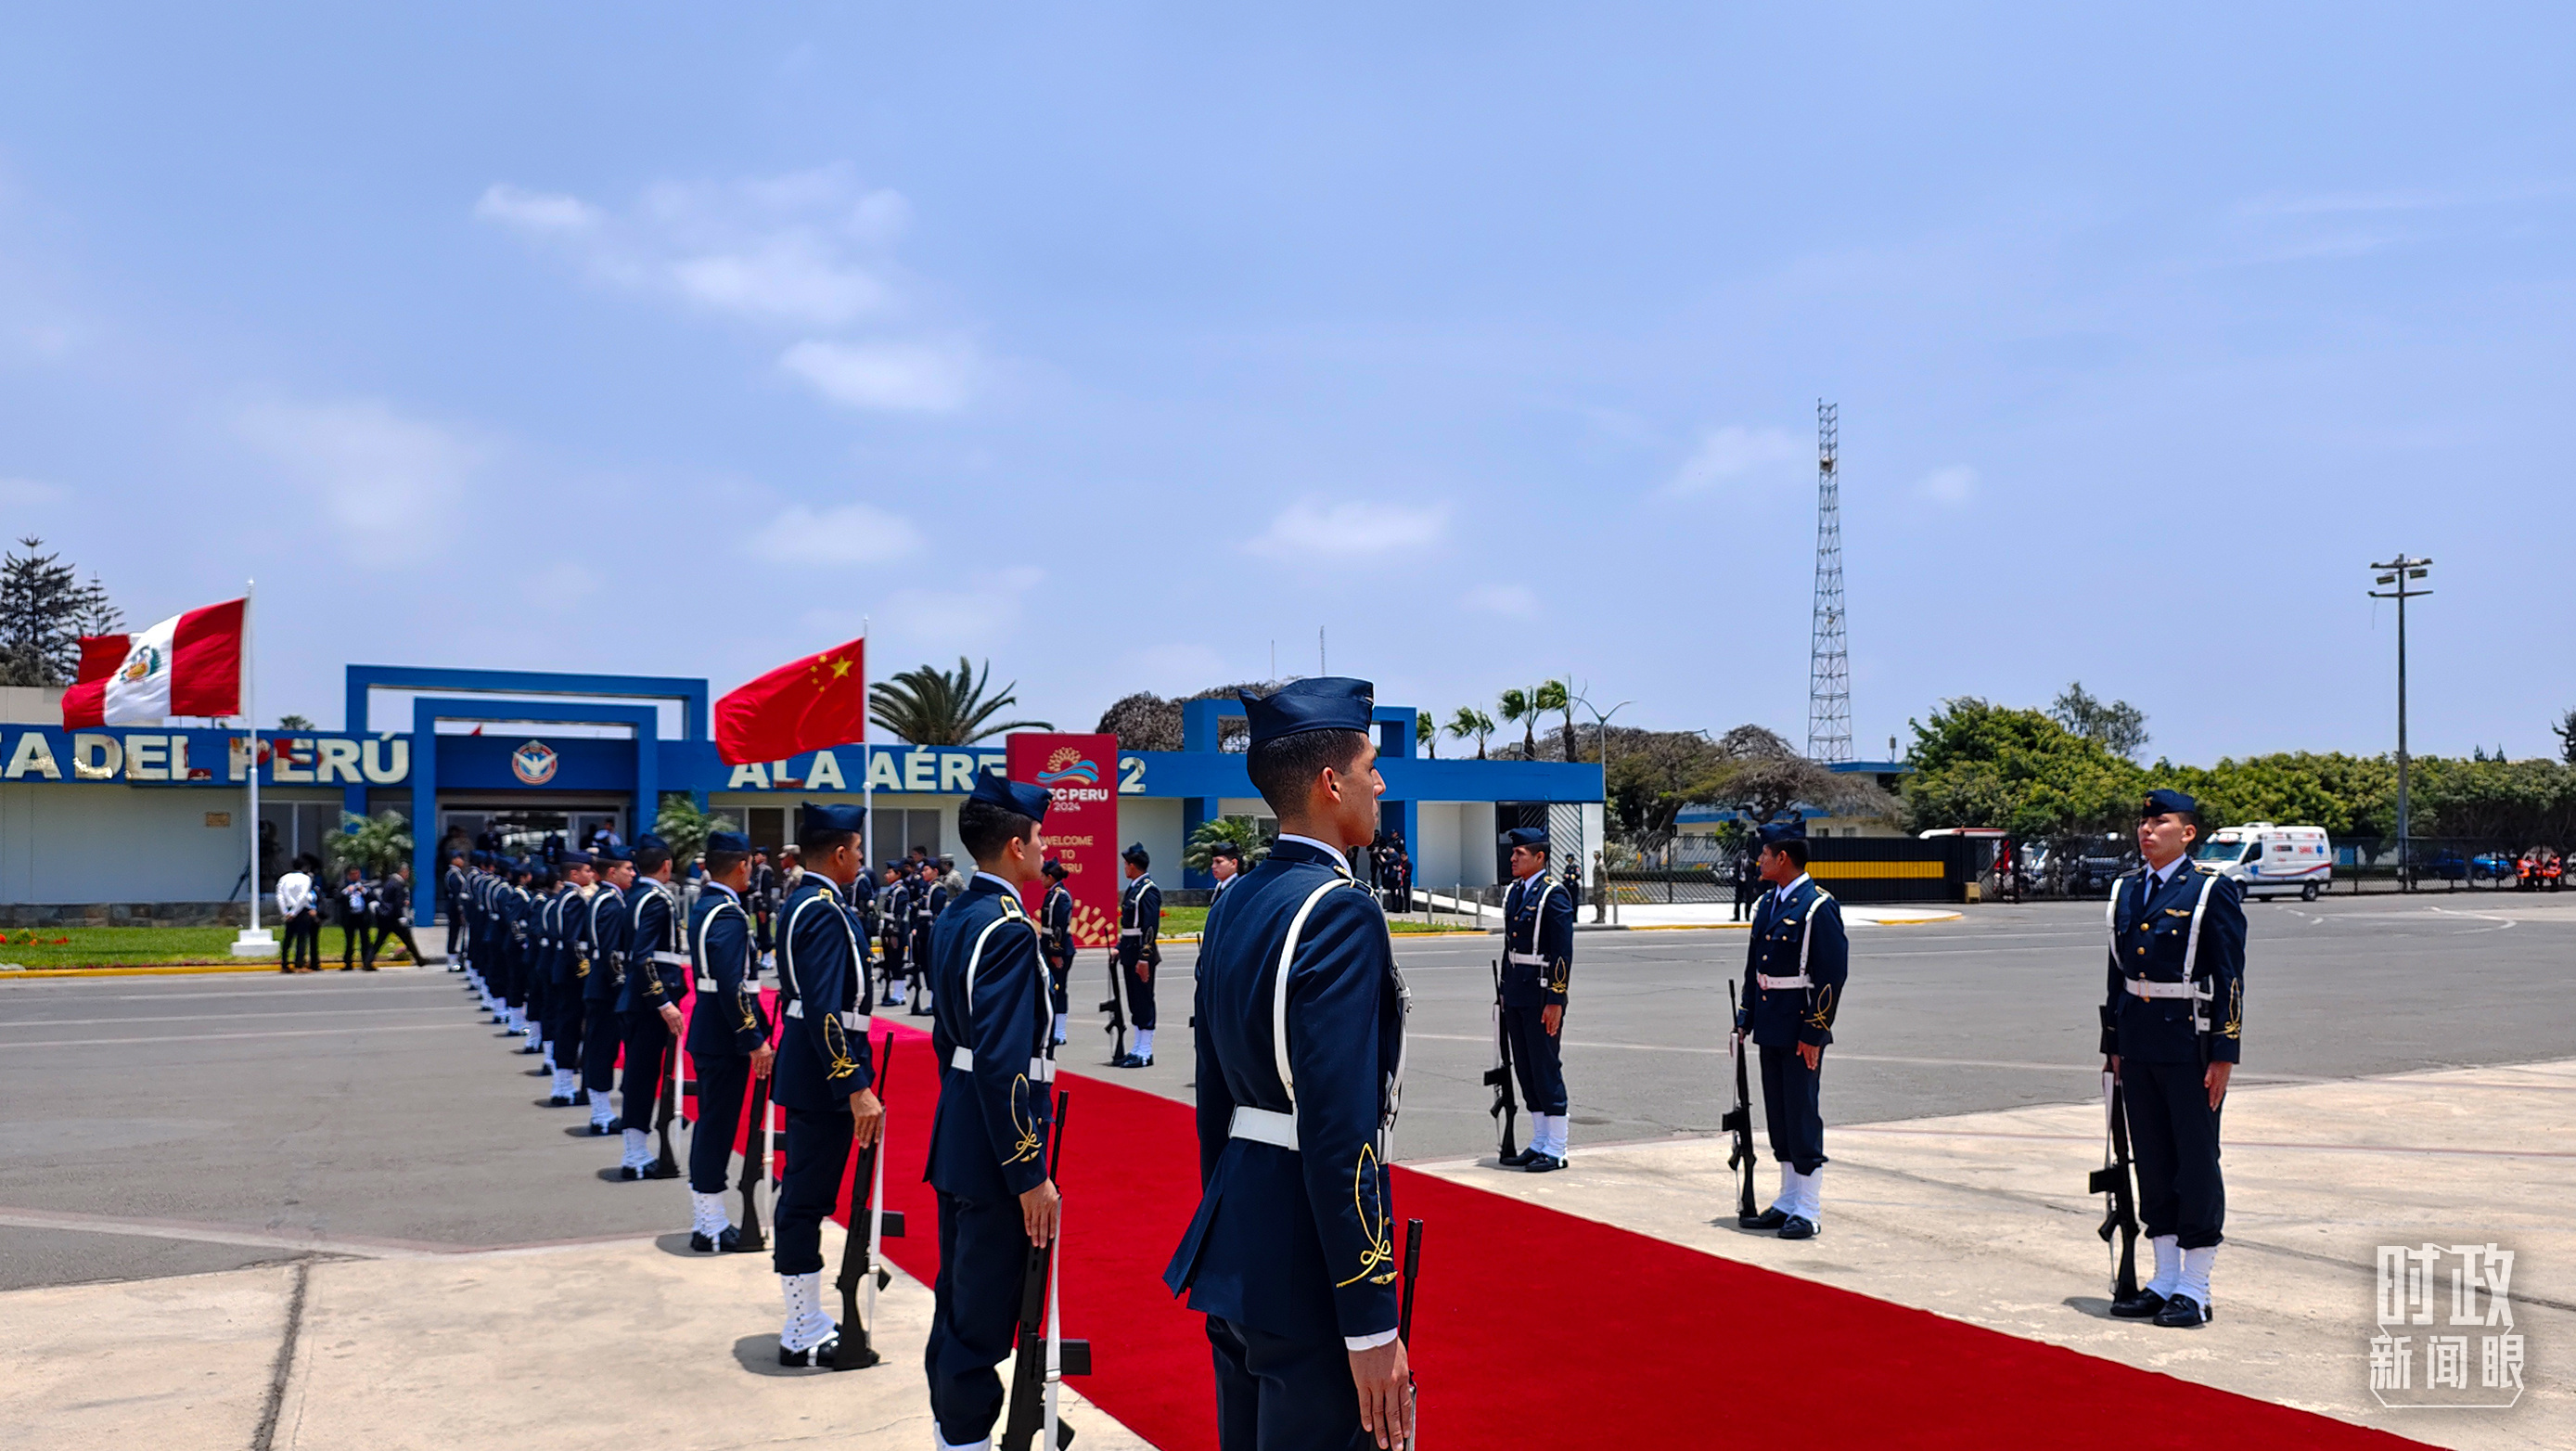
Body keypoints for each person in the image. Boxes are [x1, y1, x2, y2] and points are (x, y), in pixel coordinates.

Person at [1164, 677, 1414, 1451]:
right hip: (1311, 1266)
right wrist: (1371, 1318)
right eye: (1370, 764)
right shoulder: (1338, 910)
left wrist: (1226, 1210)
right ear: (1330, 783)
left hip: (1239, 1239)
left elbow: (1216, 1097)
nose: (1381, 782)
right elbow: (1343, 1132)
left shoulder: (1236, 900)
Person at [923, 770, 1063, 1447]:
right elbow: (1002, 1065)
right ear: (1014, 845)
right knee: (979, 1319)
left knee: (956, 1307)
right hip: (993, 1154)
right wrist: (1027, 1173)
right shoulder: (1007, 930)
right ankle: (967, 1439)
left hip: (959, 1138)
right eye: (1038, 836)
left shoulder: (954, 915)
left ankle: (955, 1433)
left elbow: (947, 1044)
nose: (1044, 848)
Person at [2102, 788, 2246, 1329]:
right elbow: (2118, 975)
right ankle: (2163, 1280)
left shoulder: (2211, 890)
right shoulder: (2127, 890)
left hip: (2190, 1045)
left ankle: (2196, 1286)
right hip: (2138, 1046)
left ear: (2187, 833)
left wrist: (2224, 1054)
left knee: (2196, 1163)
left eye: (2159, 822)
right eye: (2143, 823)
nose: (2147, 830)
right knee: (2153, 1162)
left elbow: (2231, 977)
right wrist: (2113, 1046)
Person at [771, 803, 884, 1367]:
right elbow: (823, 1008)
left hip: (813, 1072)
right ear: (839, 854)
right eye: (858, 850)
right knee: (805, 1201)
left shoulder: (805, 902)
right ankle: (802, 1328)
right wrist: (853, 1084)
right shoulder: (821, 910)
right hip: (823, 1078)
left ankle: (806, 1318)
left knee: (806, 1196)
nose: (862, 860)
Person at [1736, 821, 1849, 1239]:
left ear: (1783, 858)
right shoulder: (1767, 904)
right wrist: (1744, 1017)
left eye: (1764, 853)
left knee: (1801, 1113)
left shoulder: (1818, 907)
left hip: (1800, 1024)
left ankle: (1808, 1207)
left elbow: (1832, 976)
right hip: (1770, 1021)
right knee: (1779, 1115)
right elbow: (1754, 967)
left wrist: (1815, 1032)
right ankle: (1786, 1200)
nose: (1758, 859)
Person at [686, 830, 774, 1252]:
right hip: (724, 1036)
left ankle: (708, 1217)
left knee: (712, 1126)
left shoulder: (706, 905)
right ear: (742, 866)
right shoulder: (727, 913)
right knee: (717, 1130)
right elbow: (731, 984)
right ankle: (709, 1224)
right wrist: (753, 1037)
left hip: (711, 1030)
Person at [1497, 825, 1576, 1171]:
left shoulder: (1552, 894)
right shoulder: (1515, 892)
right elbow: (1509, 947)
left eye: (1520, 854)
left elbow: (1562, 953)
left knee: (1545, 1066)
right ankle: (1539, 1141)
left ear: (1539, 857)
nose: (1513, 858)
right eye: (1513, 853)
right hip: (1516, 992)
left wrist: (1556, 999)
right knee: (1526, 1069)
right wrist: (1503, 991)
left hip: (1542, 993)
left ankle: (1557, 1148)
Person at [616, 835, 686, 1181]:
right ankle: (635, 1154)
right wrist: (663, 1002)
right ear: (667, 865)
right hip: (649, 1003)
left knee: (640, 1076)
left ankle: (636, 1150)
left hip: (638, 999)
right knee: (643, 1077)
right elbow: (642, 957)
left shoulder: (634, 896)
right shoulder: (656, 899)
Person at [580, 842, 634, 1136]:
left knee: (599, 1048)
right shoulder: (611, 903)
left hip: (598, 985)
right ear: (612, 872)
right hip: (606, 989)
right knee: (602, 1051)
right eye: (628, 869)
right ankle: (601, 1114)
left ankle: (601, 1111)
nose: (633, 873)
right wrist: (622, 986)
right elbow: (613, 953)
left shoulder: (603, 899)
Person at [544, 850, 596, 1108]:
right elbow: (574, 942)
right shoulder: (575, 900)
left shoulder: (560, 898)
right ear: (574, 873)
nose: (591, 874)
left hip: (562, 971)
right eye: (587, 870)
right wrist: (586, 973)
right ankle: (563, 1086)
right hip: (572, 975)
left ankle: (562, 1083)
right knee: (570, 1028)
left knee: (567, 1026)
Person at [1114, 842, 1161, 1068]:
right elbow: (1127, 926)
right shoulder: (1134, 888)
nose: (1124, 868)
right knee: (1134, 1001)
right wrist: (1119, 947)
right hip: (1129, 951)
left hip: (1141, 954)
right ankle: (1136, 1048)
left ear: (1133, 866)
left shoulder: (1148, 890)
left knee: (1144, 1001)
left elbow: (1150, 928)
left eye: (1126, 864)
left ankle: (1145, 1051)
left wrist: (1145, 958)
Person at [1040, 858, 1076, 1045]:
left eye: (1043, 876)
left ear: (1051, 877)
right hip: (1048, 946)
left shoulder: (1060, 896)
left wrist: (1056, 952)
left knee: (1059, 988)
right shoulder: (1052, 894)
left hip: (1058, 949)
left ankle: (1060, 1032)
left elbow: (1059, 926)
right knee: (1050, 989)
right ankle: (1052, 1029)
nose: (1041, 880)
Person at [909, 859, 948, 1016]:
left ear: (935, 871)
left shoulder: (938, 890)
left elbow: (936, 915)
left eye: (926, 870)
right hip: (923, 932)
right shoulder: (928, 888)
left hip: (930, 933)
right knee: (925, 968)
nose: (923, 873)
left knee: (932, 968)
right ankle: (934, 1000)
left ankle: (937, 1001)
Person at [276, 855, 320, 974]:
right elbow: (302, 896)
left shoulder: (284, 878)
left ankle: (285, 963)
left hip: (288, 909)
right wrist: (295, 912)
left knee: (288, 938)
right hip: (301, 911)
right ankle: (299, 964)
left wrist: (286, 912)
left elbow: (280, 896)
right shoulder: (306, 879)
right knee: (301, 938)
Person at [372, 864, 421, 965]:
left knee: (380, 941)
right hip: (393, 917)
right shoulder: (398, 884)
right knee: (407, 938)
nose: (407, 874)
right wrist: (401, 916)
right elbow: (398, 902)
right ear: (402, 872)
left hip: (385, 916)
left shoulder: (390, 882)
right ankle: (419, 959)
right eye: (406, 872)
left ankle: (368, 961)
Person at [878, 863, 912, 1007]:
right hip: (889, 930)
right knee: (891, 962)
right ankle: (894, 994)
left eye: (890, 872)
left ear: (898, 874)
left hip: (896, 932)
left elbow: (899, 914)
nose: (887, 875)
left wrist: (894, 933)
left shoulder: (901, 891)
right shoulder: (893, 890)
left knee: (897, 962)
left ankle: (899, 995)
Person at [335, 864, 378, 971]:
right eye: (353, 874)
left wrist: (363, 890)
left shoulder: (365, 884)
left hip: (362, 916)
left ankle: (366, 962)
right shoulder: (343, 885)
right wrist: (346, 891)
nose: (355, 876)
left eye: (357, 873)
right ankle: (348, 963)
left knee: (365, 940)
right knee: (349, 940)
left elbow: (372, 896)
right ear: (349, 875)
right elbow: (337, 898)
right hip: (349, 917)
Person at [442, 851, 468, 969]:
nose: (462, 861)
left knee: (455, 932)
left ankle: (454, 959)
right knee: (454, 933)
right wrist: (461, 910)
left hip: (453, 906)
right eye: (459, 858)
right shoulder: (454, 874)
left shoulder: (455, 873)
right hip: (455, 908)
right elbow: (457, 894)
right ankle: (452, 959)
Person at [1730, 846, 1760, 923]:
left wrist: (1753, 883)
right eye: (1742, 853)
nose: (1743, 854)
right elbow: (1735, 872)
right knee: (1737, 900)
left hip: (1748, 883)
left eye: (1744, 853)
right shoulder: (1737, 862)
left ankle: (1747, 916)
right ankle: (1736, 916)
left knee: (1748, 900)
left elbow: (1755, 874)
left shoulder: (1751, 862)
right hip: (1740, 882)